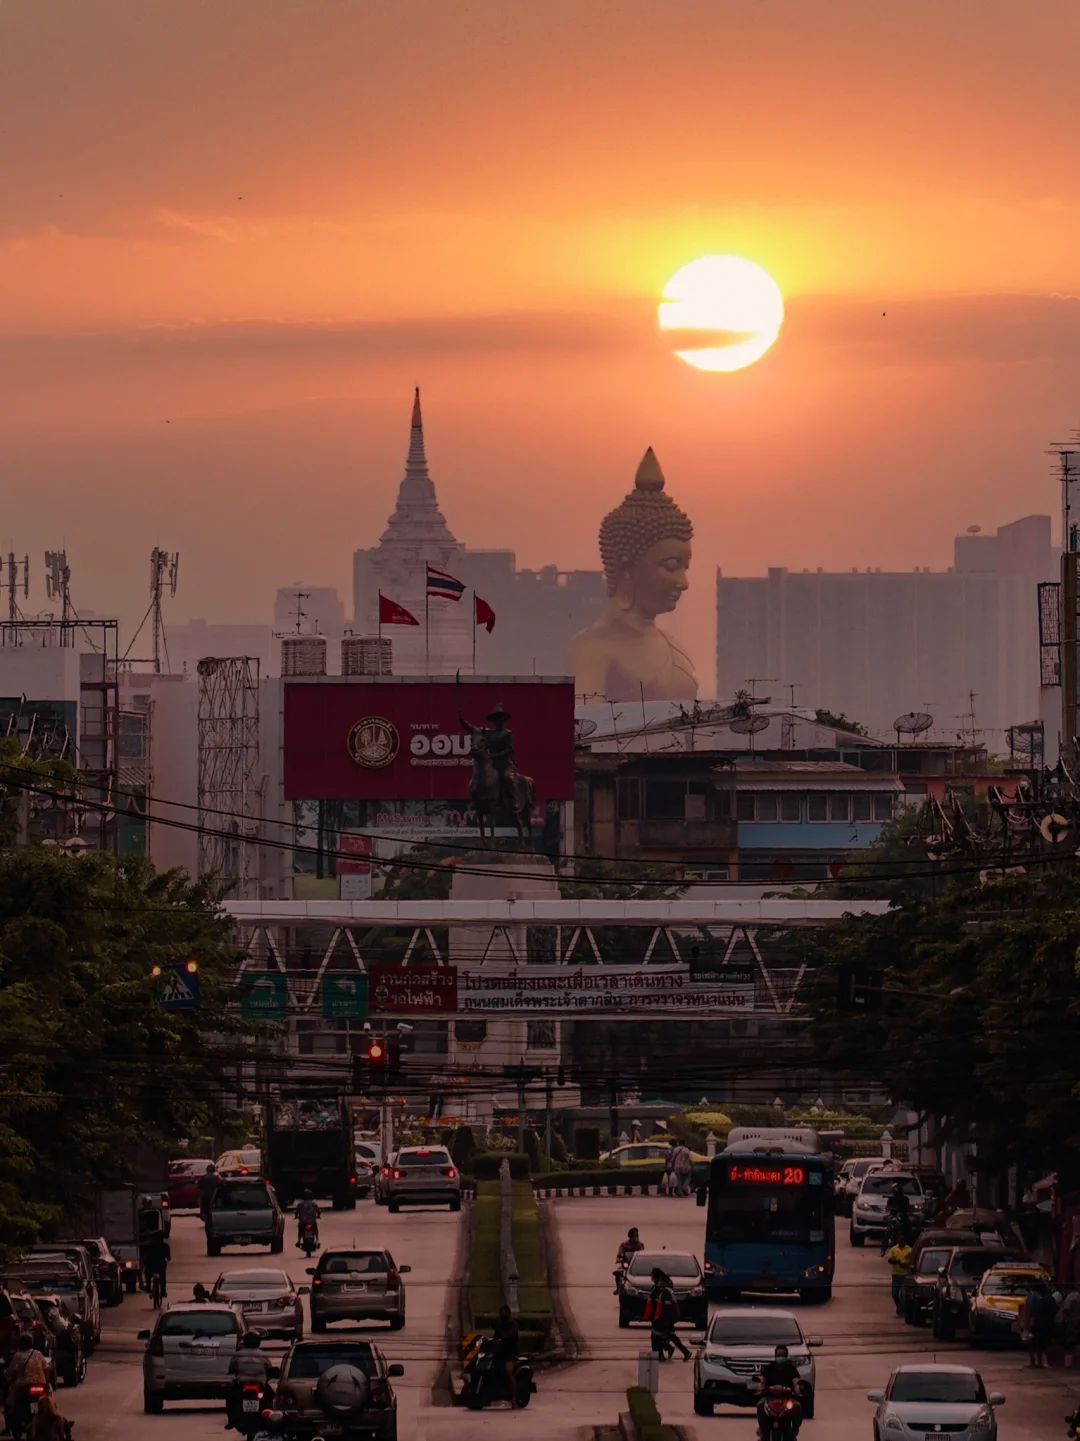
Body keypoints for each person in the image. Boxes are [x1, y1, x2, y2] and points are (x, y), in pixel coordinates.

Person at [566, 449, 698, 703]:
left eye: (685, 567)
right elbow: (588, 731)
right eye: (670, 566)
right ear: (627, 568)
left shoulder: (672, 644)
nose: (683, 583)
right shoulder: (593, 648)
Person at [4, 1333, 50, 1435]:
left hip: (24, 1385)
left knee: (10, 1398)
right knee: (49, 1397)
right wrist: (46, 1383)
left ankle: (9, 1421)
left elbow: (10, 1371)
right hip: (41, 1384)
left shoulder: (18, 1355)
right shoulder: (38, 1353)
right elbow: (46, 1368)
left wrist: (7, 1375)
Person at [225, 1331, 272, 1430]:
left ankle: (231, 1420)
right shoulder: (263, 1355)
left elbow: (231, 1369)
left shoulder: (237, 1355)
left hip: (242, 1385)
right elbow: (269, 1369)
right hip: (260, 1385)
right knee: (272, 1398)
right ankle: (272, 1420)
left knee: (230, 1398)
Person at [756, 1344, 804, 1434]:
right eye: (779, 1356)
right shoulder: (768, 1369)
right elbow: (762, 1381)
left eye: (783, 1356)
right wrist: (760, 1388)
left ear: (786, 1356)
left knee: (798, 1406)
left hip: (787, 1399)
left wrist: (798, 1388)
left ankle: (794, 1429)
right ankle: (762, 1427)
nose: (780, 1358)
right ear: (775, 1356)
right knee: (760, 1405)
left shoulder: (791, 1369)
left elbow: (796, 1381)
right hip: (769, 1398)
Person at [648, 1268, 690, 1362]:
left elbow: (662, 1304)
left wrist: (660, 1318)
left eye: (652, 1275)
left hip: (663, 1317)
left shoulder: (662, 1289)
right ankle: (681, 1351)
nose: (650, 1277)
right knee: (668, 1335)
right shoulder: (661, 1287)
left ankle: (662, 1353)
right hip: (663, 1317)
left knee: (658, 1335)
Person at [491, 1305, 520, 1402]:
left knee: (508, 1371)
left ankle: (514, 1397)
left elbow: (510, 1334)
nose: (502, 1315)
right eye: (501, 1313)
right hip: (499, 1353)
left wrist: (503, 1338)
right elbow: (495, 1336)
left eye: (504, 1313)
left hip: (510, 1353)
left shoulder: (513, 1324)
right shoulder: (499, 1325)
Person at [885, 1231, 913, 1317]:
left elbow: (912, 1261)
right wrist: (899, 1262)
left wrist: (906, 1264)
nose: (901, 1241)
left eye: (902, 1240)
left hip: (905, 1275)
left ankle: (902, 1309)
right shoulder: (893, 1249)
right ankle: (899, 1307)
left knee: (904, 1294)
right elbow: (889, 1259)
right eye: (899, 1239)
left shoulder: (909, 1250)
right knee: (894, 1293)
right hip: (896, 1274)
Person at [140, 1229, 171, 1298]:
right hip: (160, 1266)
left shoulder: (148, 1246)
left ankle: (148, 1287)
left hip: (150, 1266)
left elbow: (144, 1257)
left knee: (148, 1275)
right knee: (162, 1277)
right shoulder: (165, 1246)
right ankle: (163, 1291)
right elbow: (168, 1258)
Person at [614, 1228, 644, 1293]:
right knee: (618, 1273)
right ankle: (618, 1288)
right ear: (630, 1236)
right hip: (626, 1262)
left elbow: (642, 1254)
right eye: (634, 1235)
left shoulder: (640, 1245)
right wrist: (619, 1259)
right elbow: (620, 1253)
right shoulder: (624, 1245)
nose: (636, 1237)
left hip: (636, 1264)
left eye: (637, 1235)